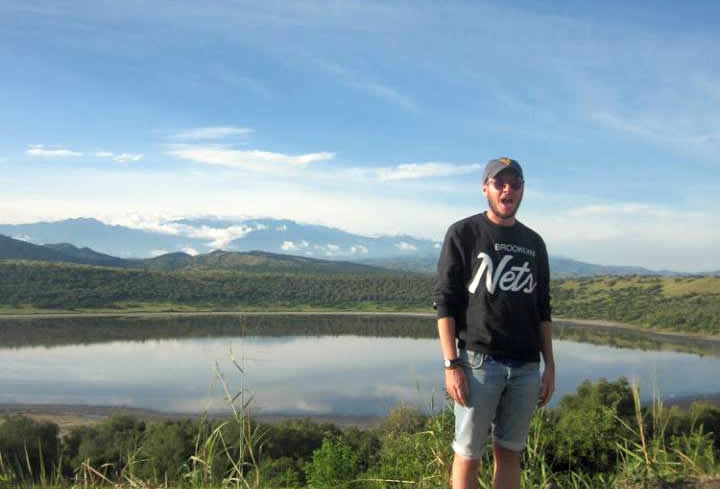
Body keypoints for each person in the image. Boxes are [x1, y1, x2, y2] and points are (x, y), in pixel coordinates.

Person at [432, 157, 555, 489]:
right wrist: (451, 363)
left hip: (527, 368)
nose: (507, 188)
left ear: (522, 190)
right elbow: (444, 302)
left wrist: (550, 366)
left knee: (510, 453)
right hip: (478, 363)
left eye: (515, 183)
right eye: (499, 182)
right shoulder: (464, 233)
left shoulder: (534, 243)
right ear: (485, 188)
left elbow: (543, 310)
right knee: (468, 454)